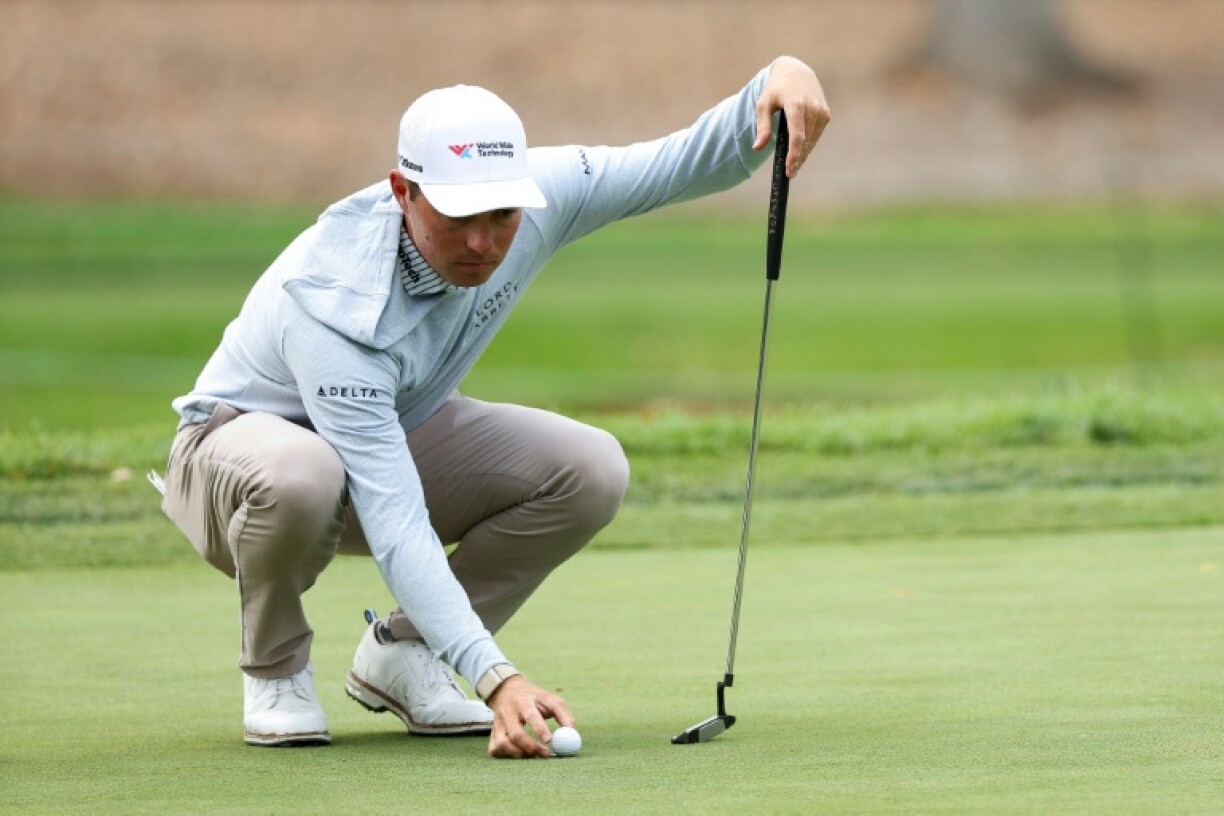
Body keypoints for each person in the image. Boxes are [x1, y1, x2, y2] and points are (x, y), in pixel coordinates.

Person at [158, 55, 830, 759]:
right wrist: (495, 676)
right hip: (231, 460)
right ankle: (276, 670)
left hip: (390, 431)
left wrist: (775, 83)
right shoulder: (333, 305)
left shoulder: (540, 194)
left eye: (502, 216)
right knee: (306, 473)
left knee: (590, 468)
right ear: (403, 192)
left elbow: (678, 163)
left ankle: (404, 655)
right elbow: (394, 517)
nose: (484, 243)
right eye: (458, 218)